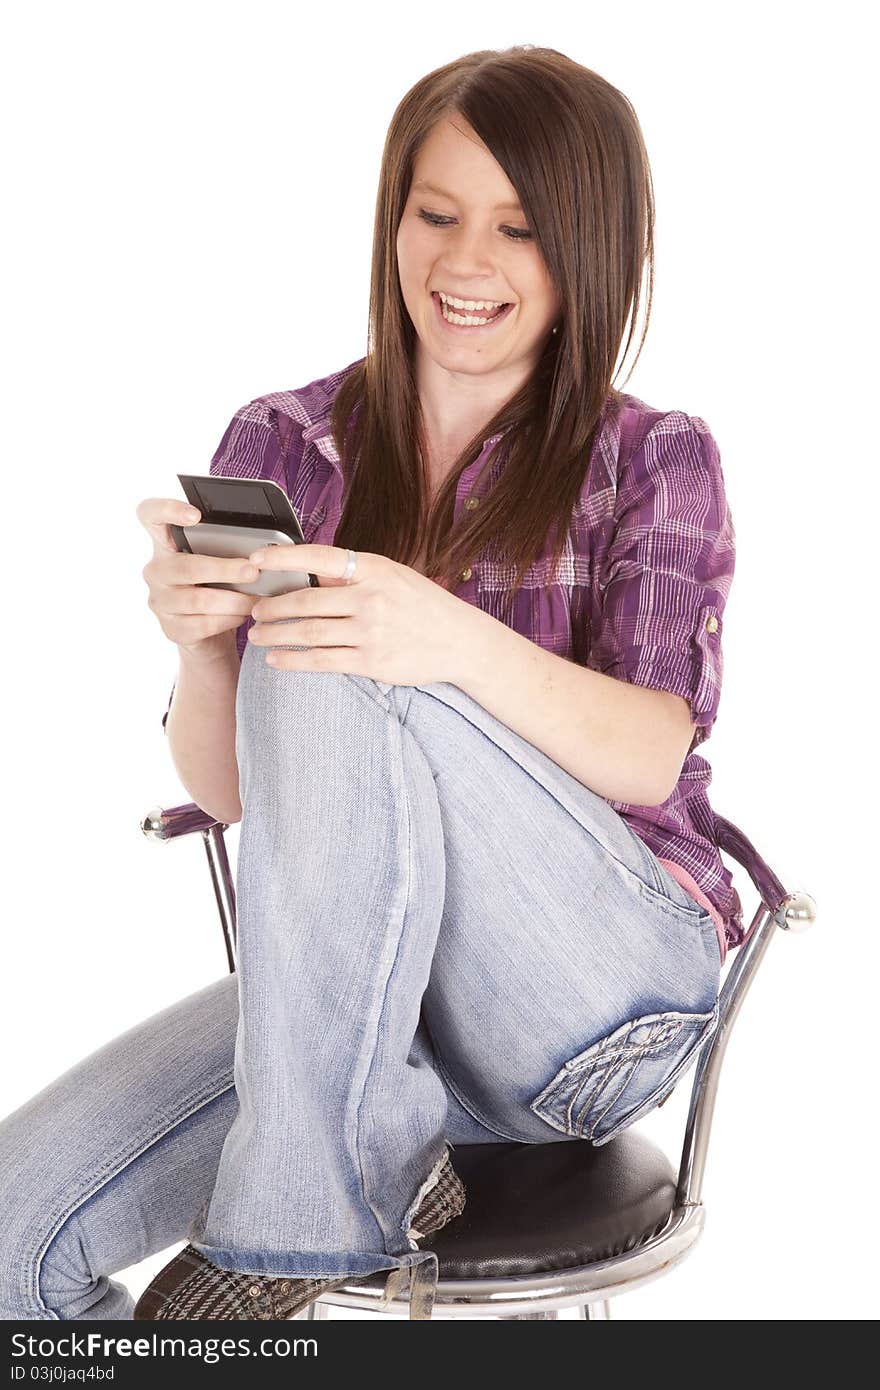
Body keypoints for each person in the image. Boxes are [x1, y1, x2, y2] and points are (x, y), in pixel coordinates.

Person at [0, 44, 742, 1322]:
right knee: (12, 1234)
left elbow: (646, 752)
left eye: (519, 229)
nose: (463, 263)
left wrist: (437, 637)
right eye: (435, 214)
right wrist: (192, 641)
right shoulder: (284, 440)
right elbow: (239, 797)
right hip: (354, 1014)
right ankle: (330, 1179)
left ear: (590, 249)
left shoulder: (654, 459)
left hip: (586, 1004)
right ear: (391, 216)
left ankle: (299, 1217)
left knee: (333, 633)